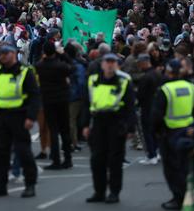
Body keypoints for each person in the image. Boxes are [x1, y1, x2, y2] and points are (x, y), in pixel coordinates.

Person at [0, 44, 40, 198]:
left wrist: (31, 117)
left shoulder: (25, 72)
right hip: (1, 117)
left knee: (23, 152)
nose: (2, 56)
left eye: (6, 53)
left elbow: (35, 96)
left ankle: (30, 185)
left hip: (20, 116)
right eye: (1, 54)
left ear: (14, 54)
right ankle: (0, 185)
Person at [83, 53, 136, 204]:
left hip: (116, 122)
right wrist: (85, 125)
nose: (110, 65)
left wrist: (130, 128)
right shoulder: (93, 80)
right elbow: (86, 104)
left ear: (117, 64)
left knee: (115, 160)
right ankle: (99, 192)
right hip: (98, 122)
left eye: (113, 62)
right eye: (108, 62)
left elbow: (130, 106)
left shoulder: (124, 80)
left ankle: (114, 192)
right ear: (102, 64)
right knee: (97, 160)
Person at [151, 59, 194, 210]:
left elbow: (156, 115)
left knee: (172, 169)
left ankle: (178, 198)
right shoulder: (191, 87)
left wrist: (155, 132)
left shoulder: (165, 90)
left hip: (170, 133)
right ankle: (189, 196)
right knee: (186, 167)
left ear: (169, 71)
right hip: (189, 131)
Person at [35, 42, 73, 170]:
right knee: (65, 130)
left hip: (48, 100)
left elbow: (40, 61)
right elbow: (71, 67)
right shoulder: (61, 66)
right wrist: (62, 54)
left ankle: (55, 159)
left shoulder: (40, 66)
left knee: (53, 130)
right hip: (62, 99)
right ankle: (68, 159)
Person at [137, 53, 162, 165]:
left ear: (144, 63)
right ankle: (156, 152)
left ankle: (151, 155)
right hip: (156, 106)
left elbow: (141, 95)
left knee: (147, 131)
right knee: (154, 131)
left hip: (147, 107)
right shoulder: (157, 74)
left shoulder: (145, 77)